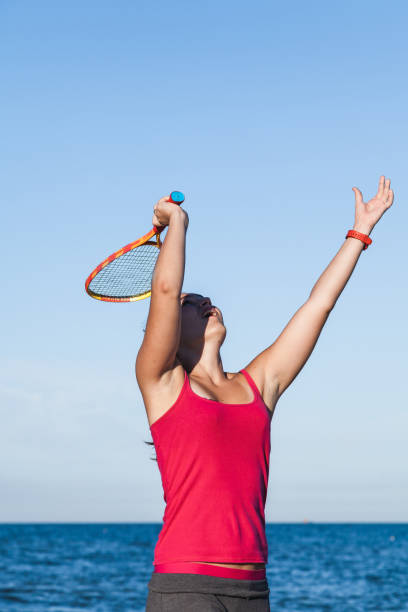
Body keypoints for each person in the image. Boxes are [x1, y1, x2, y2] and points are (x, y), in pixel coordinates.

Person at [136, 177, 394, 611]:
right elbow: (164, 290)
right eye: (190, 303)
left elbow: (318, 306)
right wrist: (177, 224)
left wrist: (359, 234)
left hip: (254, 589)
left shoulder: (258, 385)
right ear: (169, 331)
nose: (205, 302)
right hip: (186, 586)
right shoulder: (162, 382)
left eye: (205, 299)